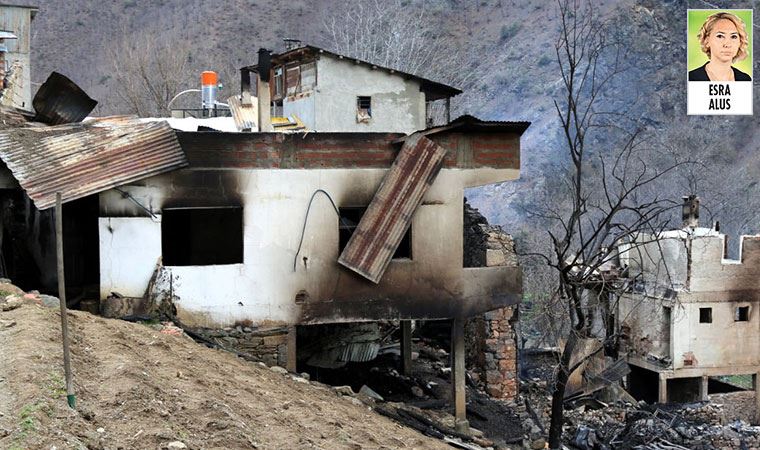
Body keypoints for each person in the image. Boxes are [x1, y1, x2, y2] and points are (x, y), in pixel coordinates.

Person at [688, 12, 751, 82]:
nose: (727, 44)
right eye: (720, 36)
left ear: (740, 42)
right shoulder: (691, 78)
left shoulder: (745, 79)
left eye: (733, 36)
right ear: (707, 41)